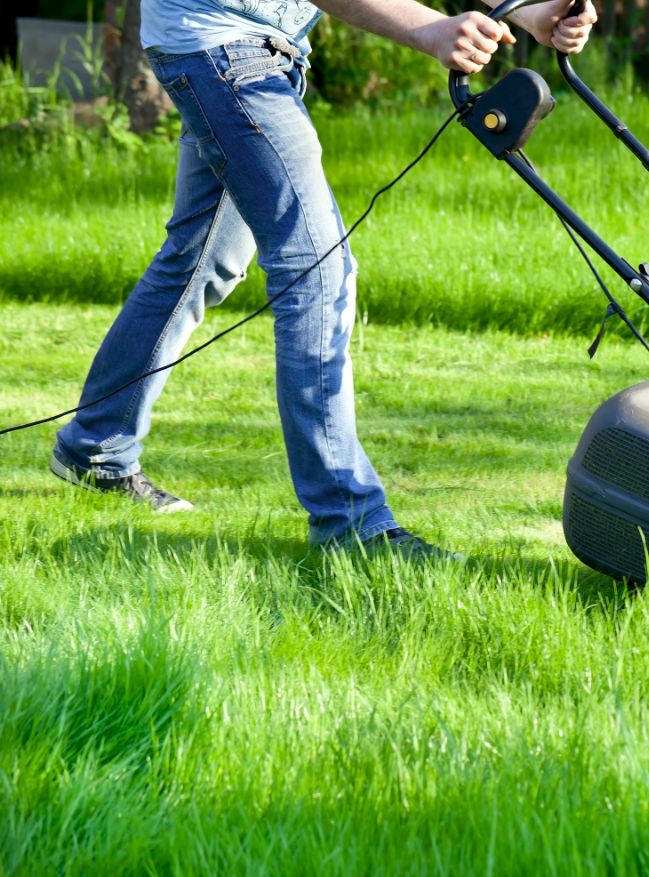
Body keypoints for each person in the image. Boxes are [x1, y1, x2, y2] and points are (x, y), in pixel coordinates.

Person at [49, 0, 597, 558]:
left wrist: (532, 10)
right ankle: (349, 522)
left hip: (253, 47)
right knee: (315, 269)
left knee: (202, 261)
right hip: (220, 44)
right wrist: (432, 30)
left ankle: (96, 446)